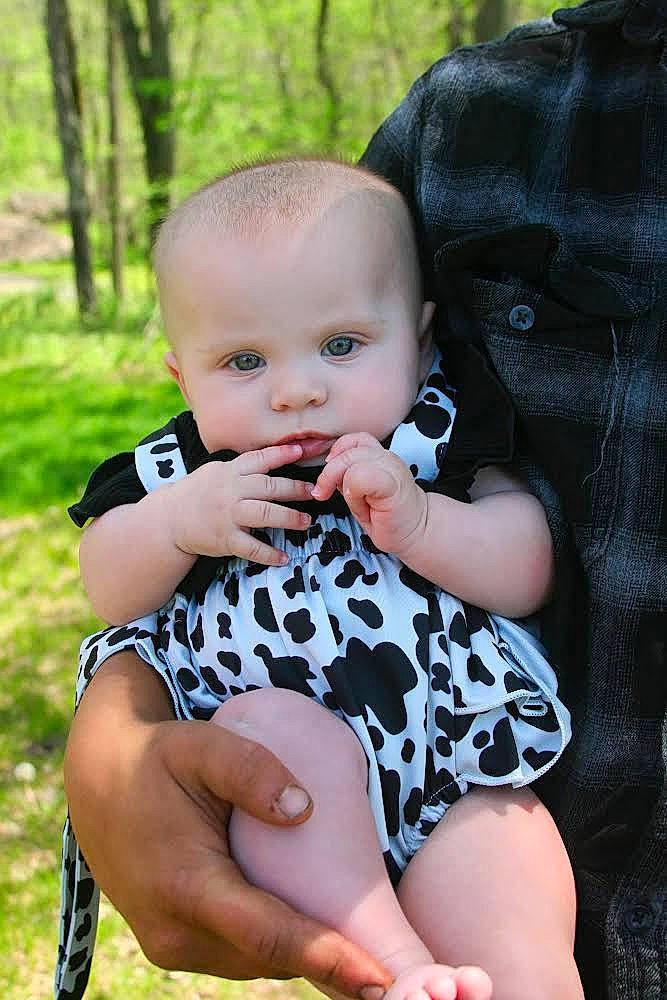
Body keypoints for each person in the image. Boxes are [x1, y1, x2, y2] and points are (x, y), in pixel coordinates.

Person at [57, 3, 665, 999]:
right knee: (278, 757)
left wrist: (423, 522)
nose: (296, 389)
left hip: (455, 761)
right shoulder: (189, 468)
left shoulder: (432, 437)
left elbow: (525, 564)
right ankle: (391, 962)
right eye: (243, 361)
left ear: (419, 336)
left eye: (342, 346)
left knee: (508, 866)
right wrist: (173, 524)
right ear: (181, 376)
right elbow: (106, 587)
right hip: (291, 755)